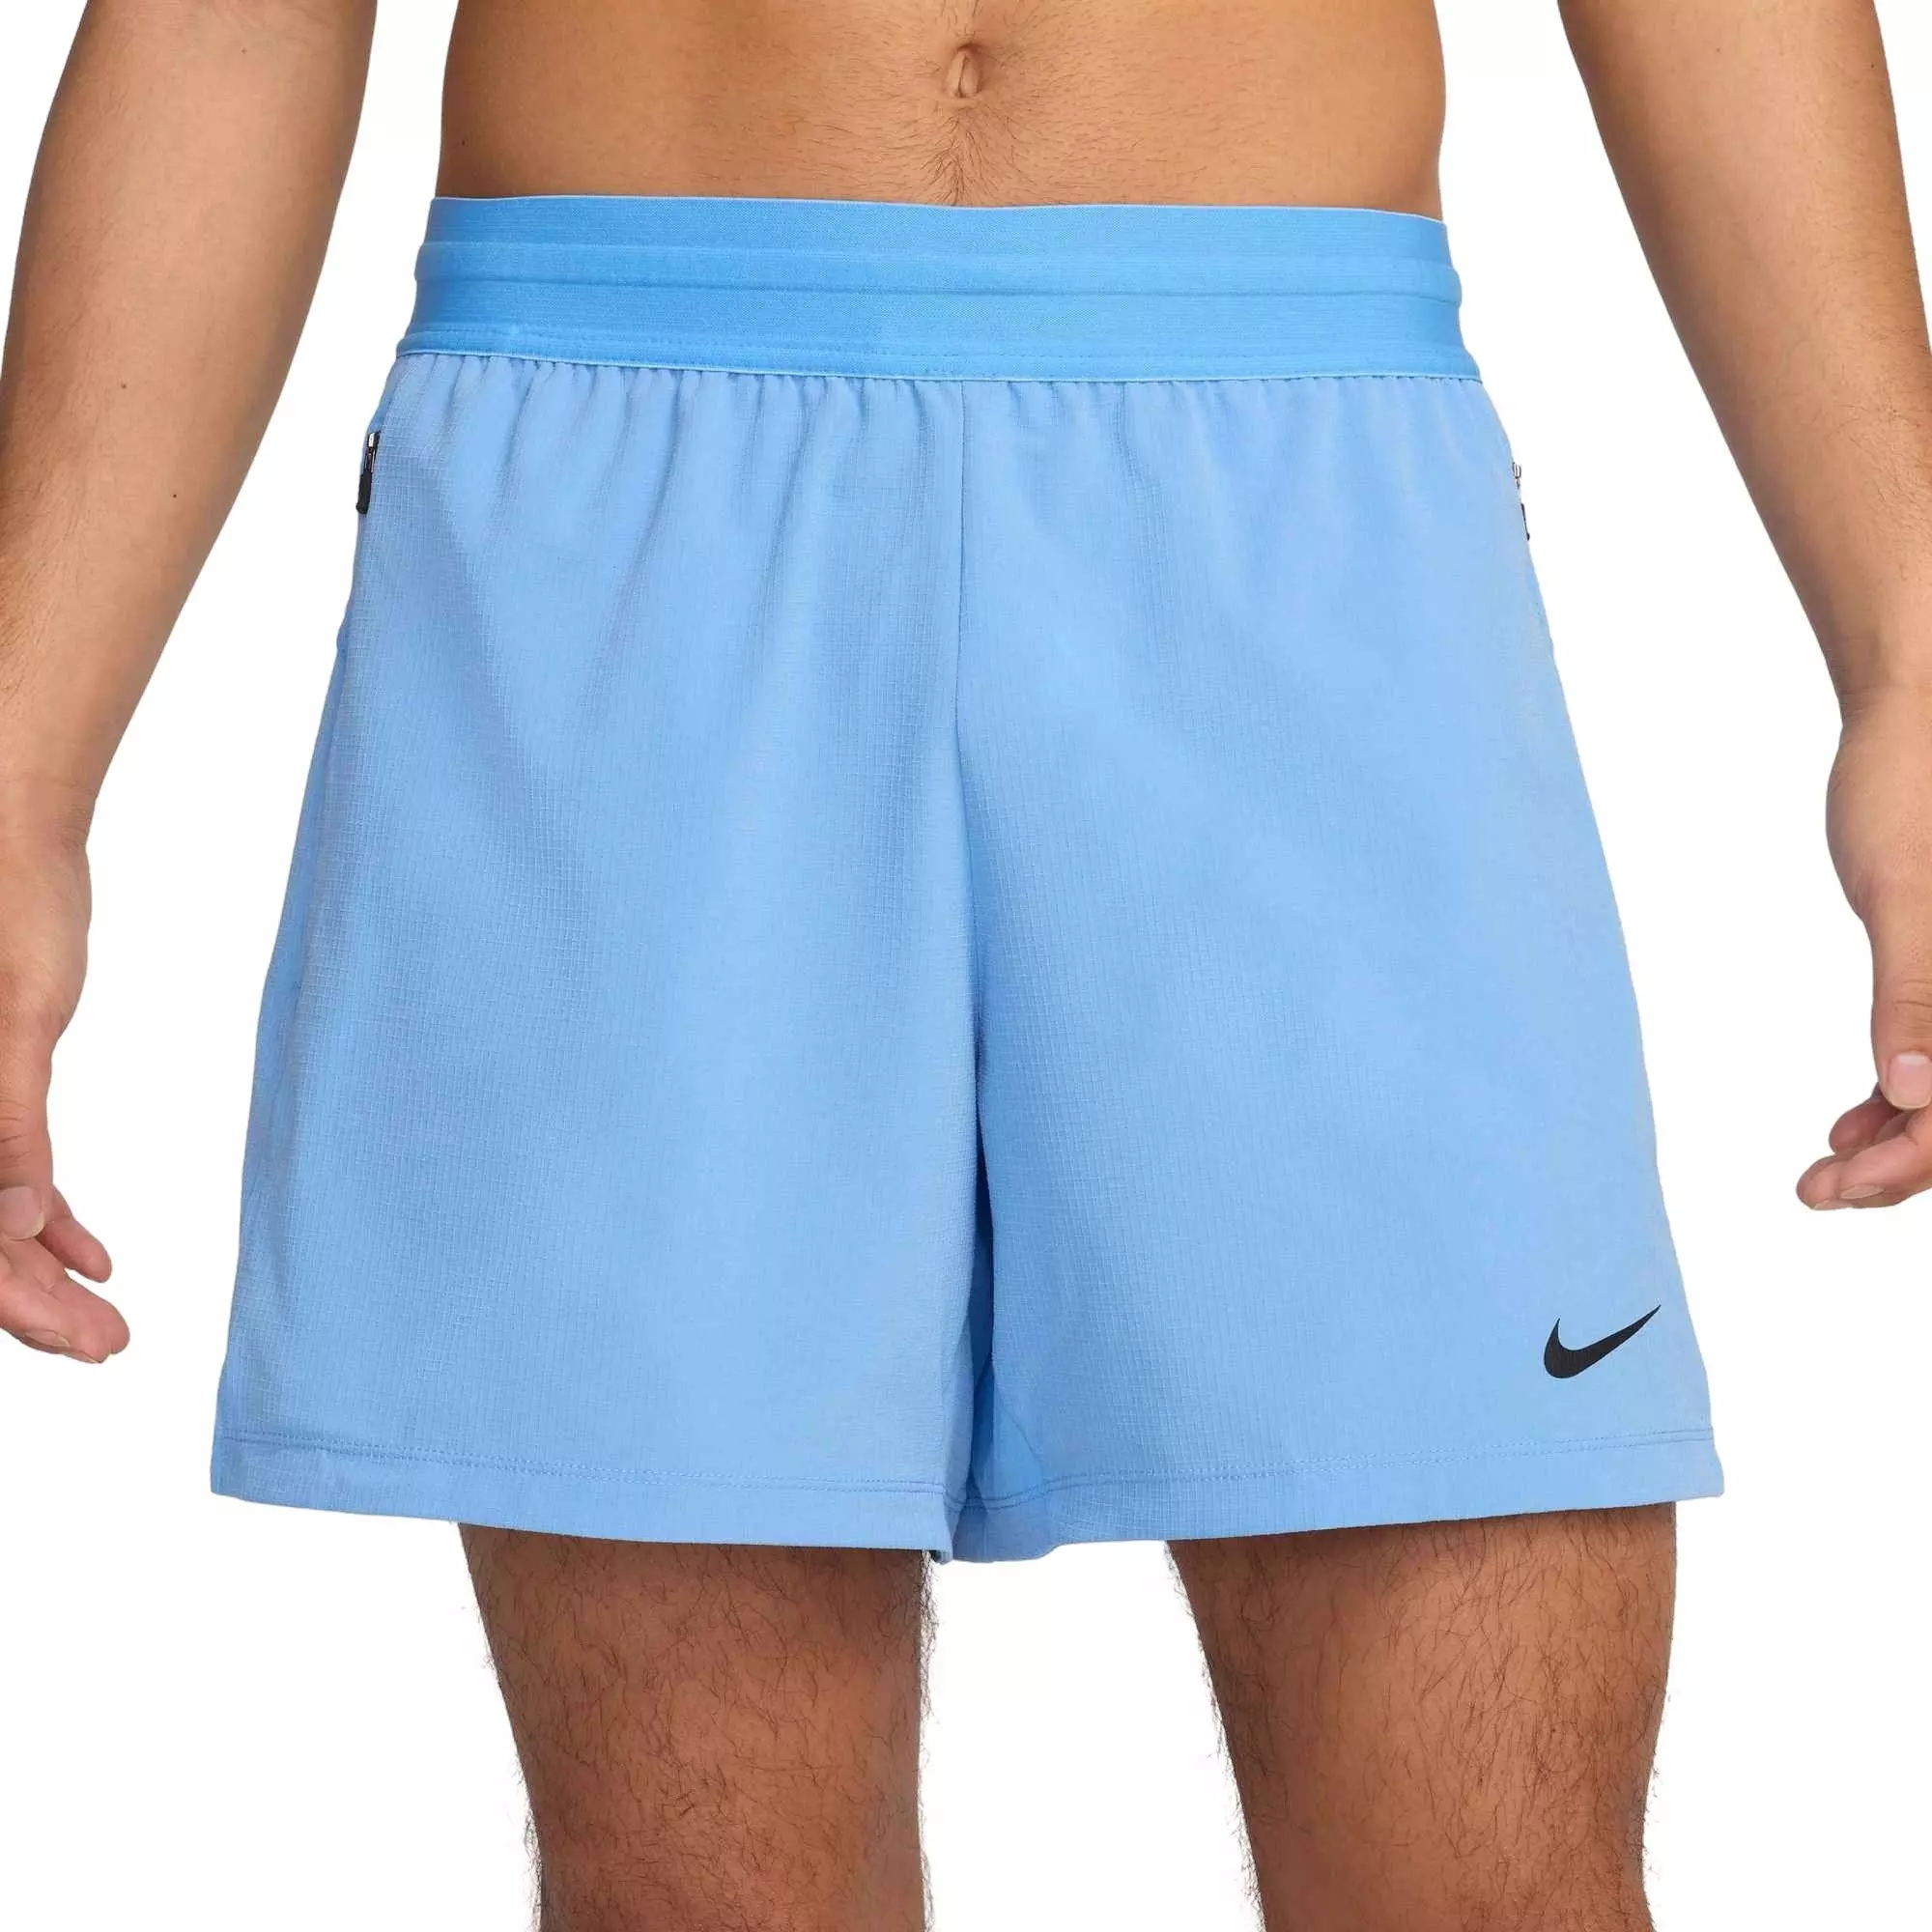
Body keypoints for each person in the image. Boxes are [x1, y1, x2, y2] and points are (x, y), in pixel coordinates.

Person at [1, 2, 1927, 1926]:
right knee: (701, 1896)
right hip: (621, 481)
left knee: (1486, 1876)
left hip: (1296, 471)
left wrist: (1913, 669)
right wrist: (16, 789)